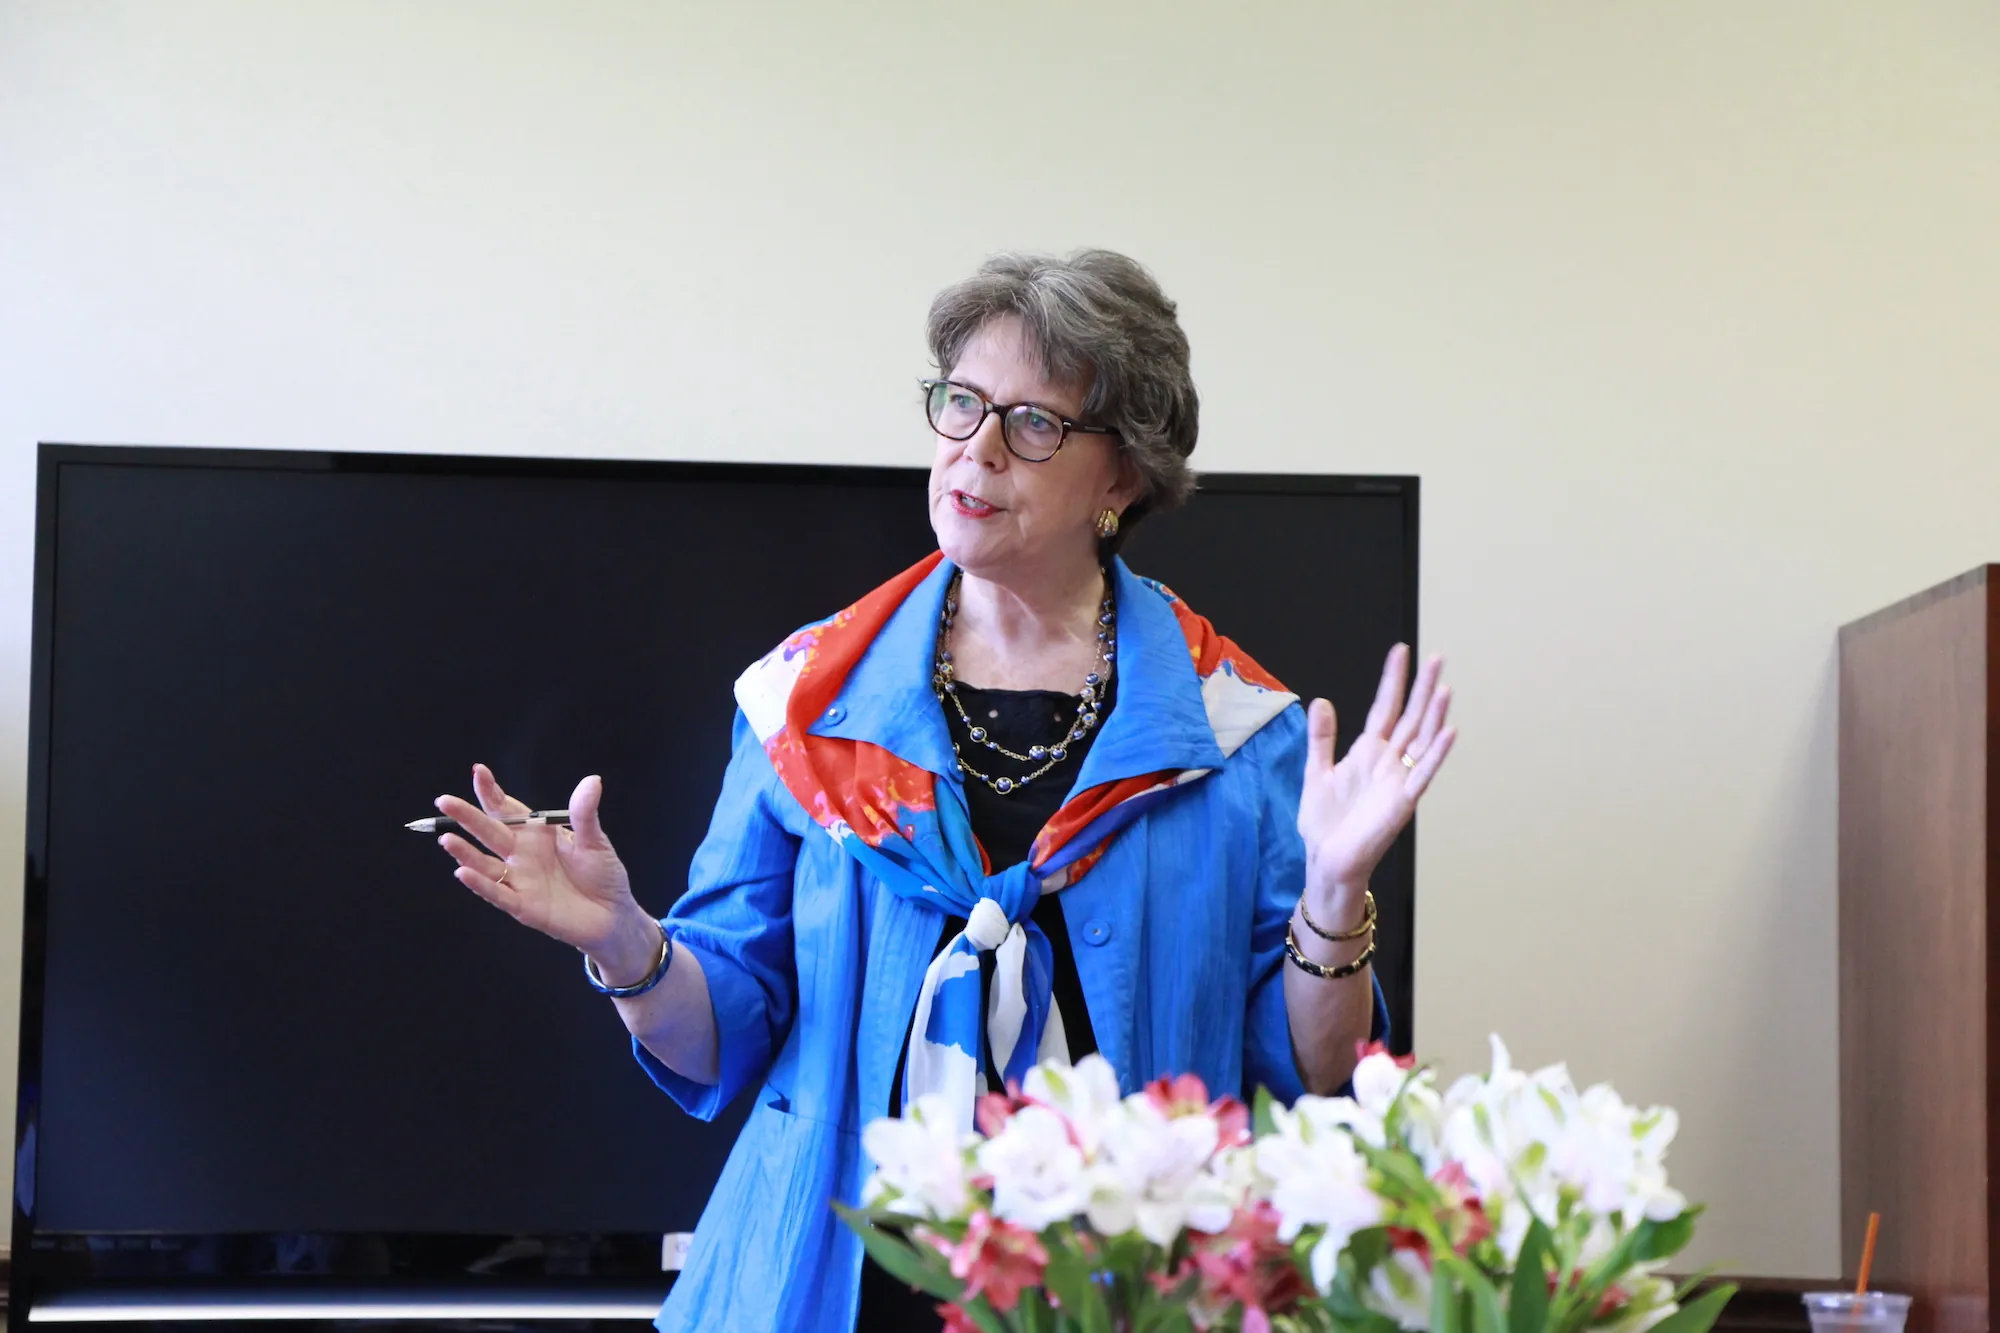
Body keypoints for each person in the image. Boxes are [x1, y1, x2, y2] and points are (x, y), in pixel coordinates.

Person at [431, 249, 1457, 1333]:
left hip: (1129, 1293)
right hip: (833, 1283)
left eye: (1031, 423)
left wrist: (1336, 890)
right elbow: (720, 1038)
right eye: (958, 403)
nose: (974, 449)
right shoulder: (802, 702)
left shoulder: (1237, 735)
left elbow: (1310, 1073)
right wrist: (627, 944)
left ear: (1120, 479)